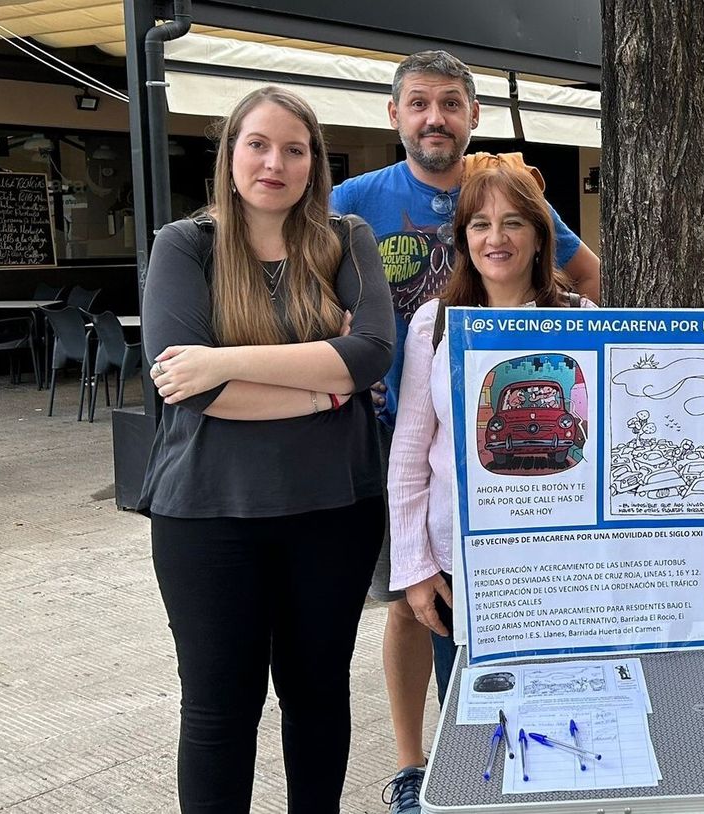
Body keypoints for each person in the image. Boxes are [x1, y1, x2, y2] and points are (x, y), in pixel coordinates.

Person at [328, 50, 600, 812]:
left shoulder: (574, 319)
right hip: (411, 460)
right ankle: (417, 767)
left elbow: (589, 282)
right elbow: (410, 456)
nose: (434, 118)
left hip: (545, 552)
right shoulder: (361, 210)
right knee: (415, 617)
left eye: (449, 103)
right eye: (418, 103)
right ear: (395, 114)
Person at [140, 86, 394, 812]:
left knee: (318, 695)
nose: (274, 163)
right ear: (230, 152)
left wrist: (224, 360)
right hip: (209, 514)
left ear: (315, 163)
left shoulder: (346, 238)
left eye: (294, 149)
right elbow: (188, 387)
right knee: (219, 709)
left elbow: (371, 352)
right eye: (258, 144)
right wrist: (325, 385)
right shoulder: (184, 244)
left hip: (335, 508)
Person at [384, 158, 597, 760]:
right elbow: (410, 454)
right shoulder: (435, 324)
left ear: (539, 237)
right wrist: (415, 566)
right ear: (463, 239)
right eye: (479, 224)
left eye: (512, 223)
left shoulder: (580, 320)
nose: (495, 238)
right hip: (460, 564)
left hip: (558, 567)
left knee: (556, 715)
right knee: (475, 724)